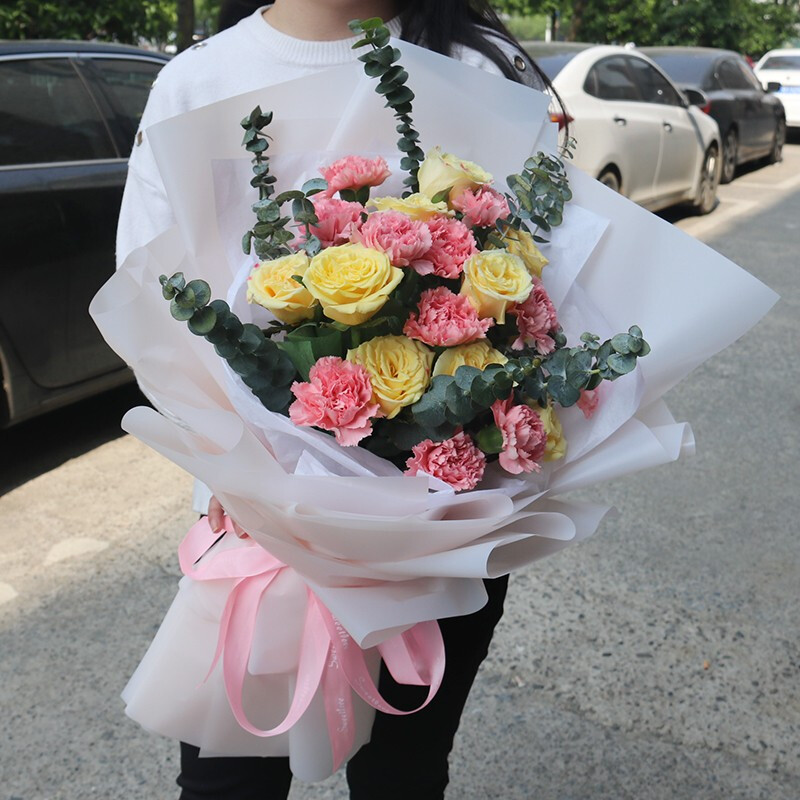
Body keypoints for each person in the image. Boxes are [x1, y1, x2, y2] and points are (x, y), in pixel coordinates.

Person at [116, 3, 561, 798]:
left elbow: (546, 295)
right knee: (229, 779)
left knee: (403, 773)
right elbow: (153, 305)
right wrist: (242, 470)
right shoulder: (198, 83)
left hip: (442, 523)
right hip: (256, 525)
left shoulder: (480, 70)